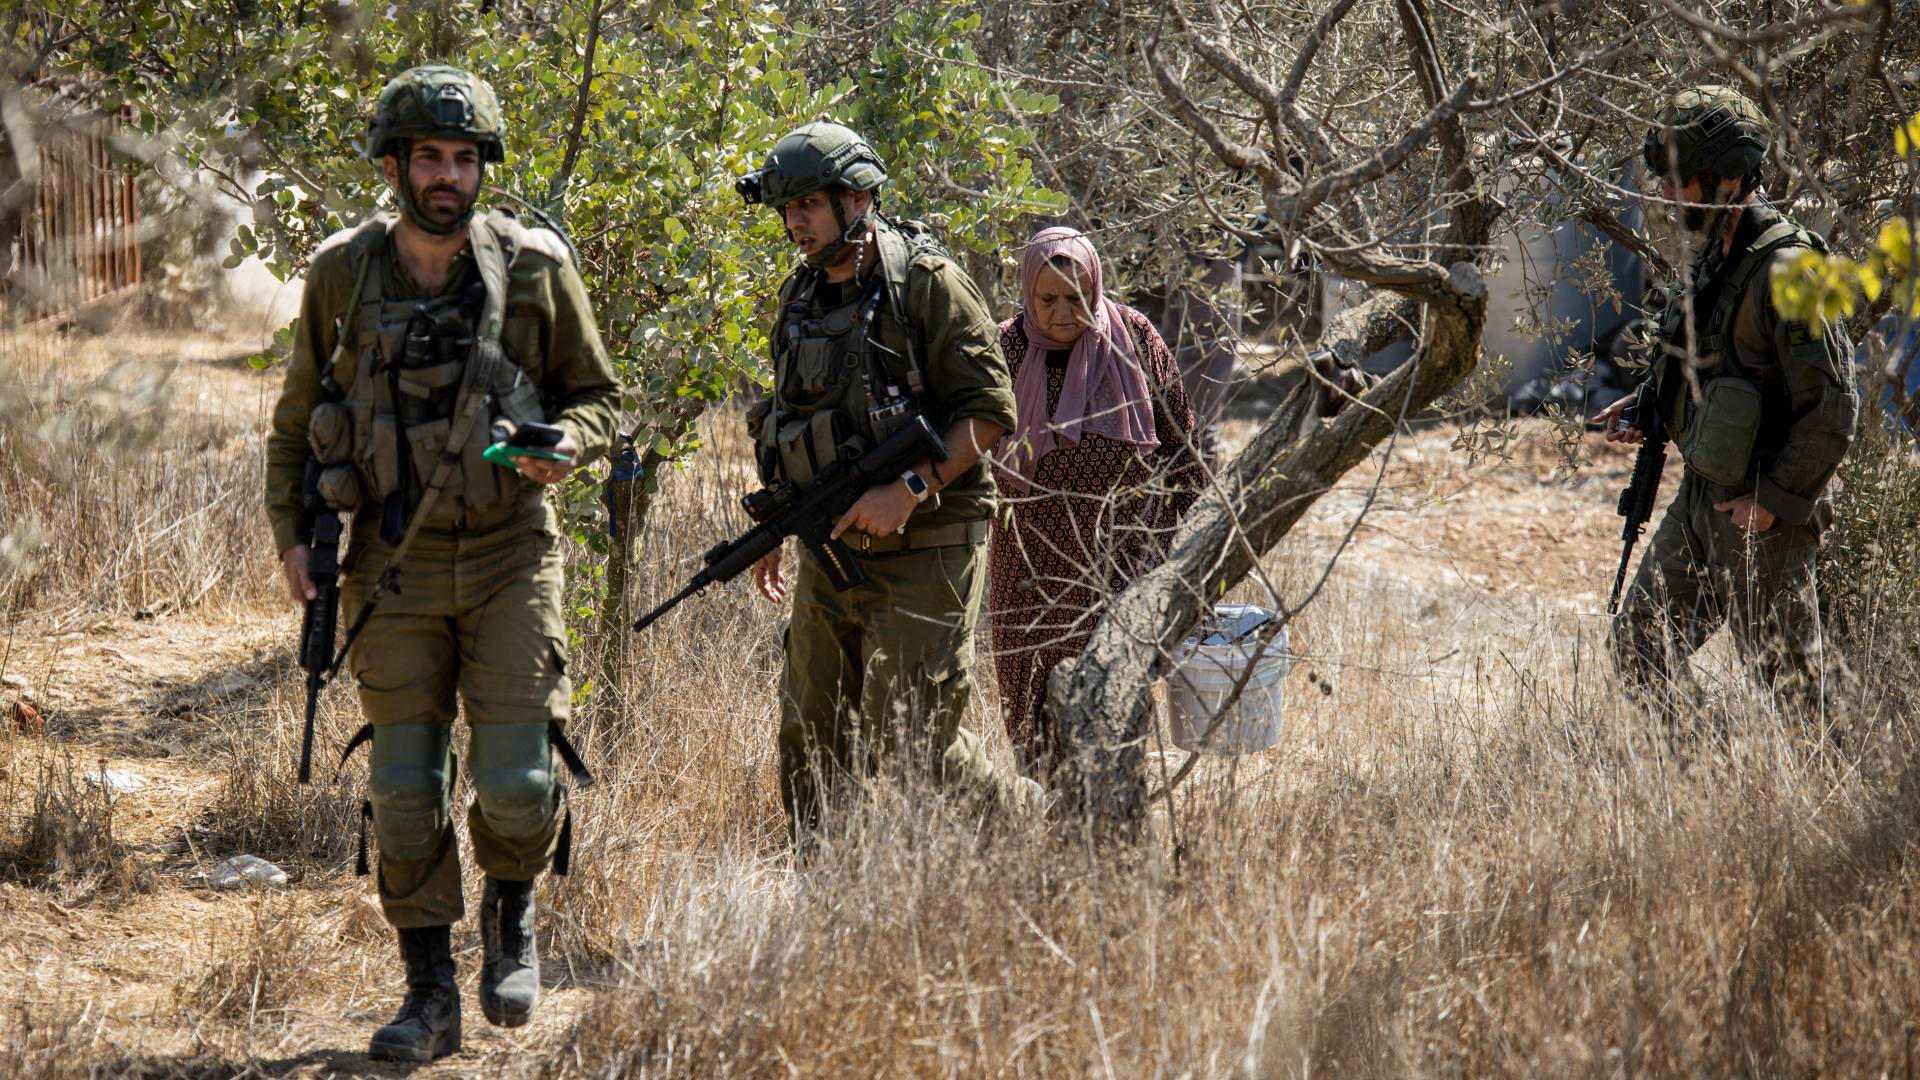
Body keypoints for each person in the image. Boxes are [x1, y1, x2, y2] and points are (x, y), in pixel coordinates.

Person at [264, 66, 618, 1061]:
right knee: (405, 789)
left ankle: (510, 910)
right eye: (430, 157)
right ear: (394, 166)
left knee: (516, 780)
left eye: (465, 159)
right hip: (391, 562)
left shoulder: (534, 268)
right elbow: (296, 422)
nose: (449, 176)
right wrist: (291, 535)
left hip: (511, 552)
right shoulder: (342, 274)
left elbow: (597, 396)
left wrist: (570, 443)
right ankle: (428, 994)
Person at [736, 121, 1033, 842]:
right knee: (810, 735)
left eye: (810, 203)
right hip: (831, 544)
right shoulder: (801, 295)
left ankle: (1036, 829)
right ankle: (828, 882)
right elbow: (787, 415)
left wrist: (909, 490)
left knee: (916, 742)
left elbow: (991, 412)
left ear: (858, 198)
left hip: (930, 540)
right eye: (788, 208)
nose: (795, 222)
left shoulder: (926, 285)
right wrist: (774, 525)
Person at [1596, 85, 1857, 724]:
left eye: (1681, 180)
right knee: (1639, 650)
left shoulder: (1789, 270)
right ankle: (1707, 775)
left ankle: (1822, 791)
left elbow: (1834, 407)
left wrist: (1773, 501)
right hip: (1701, 500)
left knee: (1797, 704)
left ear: (1732, 178)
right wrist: (1649, 403)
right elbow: (1718, 366)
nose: (1666, 194)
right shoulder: (1718, 253)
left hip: (1763, 518)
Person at [989, 227, 1203, 776]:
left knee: (1111, 712)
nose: (1065, 313)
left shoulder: (1135, 337)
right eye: (1048, 299)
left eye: (1078, 297)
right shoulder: (1004, 348)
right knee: (1031, 714)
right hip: (1027, 570)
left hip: (1119, 565)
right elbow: (969, 448)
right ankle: (1044, 814)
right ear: (1027, 293)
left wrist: (1194, 556)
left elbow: (1184, 448)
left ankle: (1110, 817)